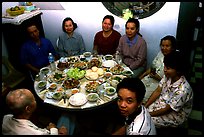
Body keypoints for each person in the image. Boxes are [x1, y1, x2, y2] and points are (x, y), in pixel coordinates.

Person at [144, 50, 193, 128]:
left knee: (146, 120)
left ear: (178, 70)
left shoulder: (183, 90)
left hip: (175, 114)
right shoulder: (168, 76)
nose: (165, 70)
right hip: (163, 102)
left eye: (168, 68)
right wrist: (145, 106)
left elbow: (167, 109)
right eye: (165, 66)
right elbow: (157, 91)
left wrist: (148, 114)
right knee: (142, 110)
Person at [2, 88, 76, 135]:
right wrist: (53, 129)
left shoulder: (5, 118)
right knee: (67, 116)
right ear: (28, 109)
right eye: (34, 99)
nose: (35, 101)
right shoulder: (36, 133)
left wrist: (48, 129)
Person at [139, 35, 177, 103]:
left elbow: (170, 80)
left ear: (173, 47)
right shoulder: (160, 54)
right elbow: (151, 68)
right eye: (162, 45)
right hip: (150, 78)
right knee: (134, 89)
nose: (164, 48)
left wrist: (157, 77)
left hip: (160, 84)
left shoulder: (175, 59)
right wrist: (140, 77)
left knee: (142, 97)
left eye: (167, 46)